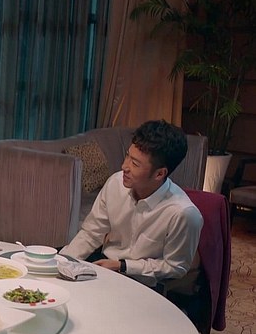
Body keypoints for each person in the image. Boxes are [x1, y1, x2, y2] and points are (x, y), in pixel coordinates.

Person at [60, 120, 203, 288]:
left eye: (135, 164)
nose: (124, 166)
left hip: (145, 283)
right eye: (128, 156)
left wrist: (123, 266)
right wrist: (62, 262)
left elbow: (175, 267)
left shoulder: (183, 213)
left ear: (159, 174)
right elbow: (92, 233)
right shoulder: (115, 183)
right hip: (105, 267)